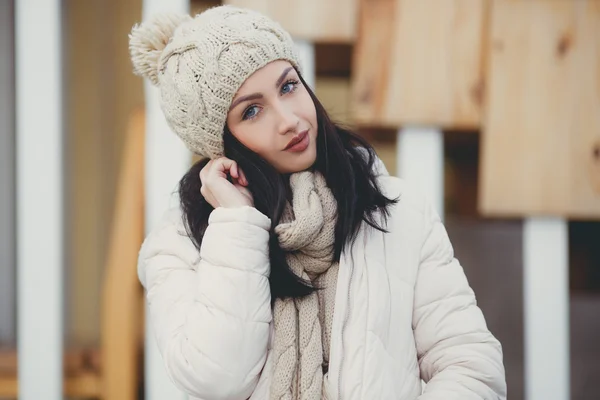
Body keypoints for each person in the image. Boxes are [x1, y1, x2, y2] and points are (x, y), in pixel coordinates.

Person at [129, 5, 506, 400]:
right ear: (220, 145)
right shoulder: (179, 245)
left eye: (288, 86)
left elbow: (471, 367)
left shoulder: (398, 211)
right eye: (252, 111)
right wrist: (237, 225)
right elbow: (217, 379)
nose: (289, 119)